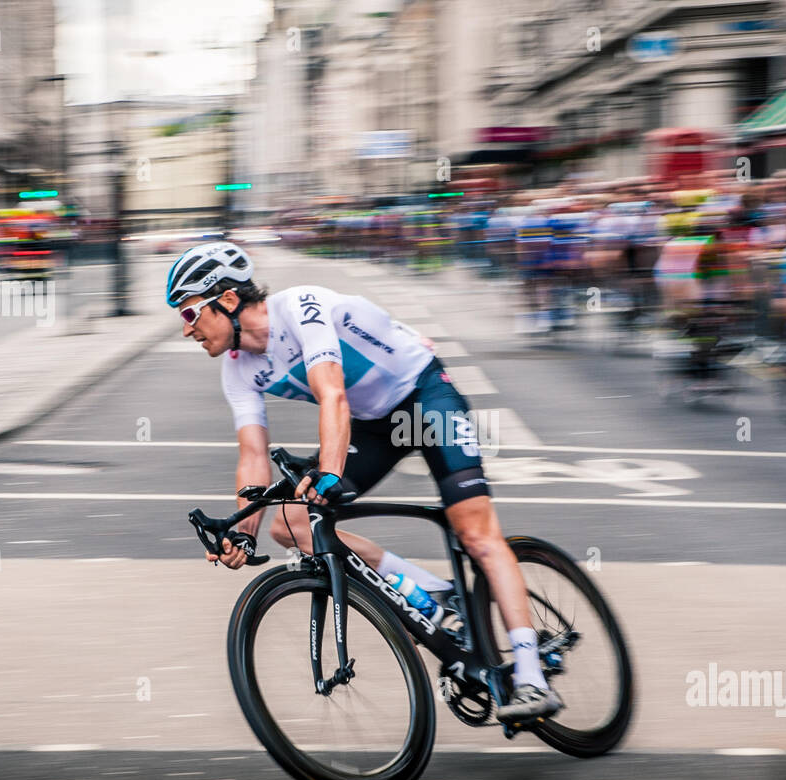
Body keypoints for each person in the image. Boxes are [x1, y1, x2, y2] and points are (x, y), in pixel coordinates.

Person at [167, 240, 564, 720]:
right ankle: (431, 598)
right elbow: (252, 455)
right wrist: (241, 533)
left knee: (475, 533)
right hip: (374, 424)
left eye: (189, 313)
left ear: (227, 300)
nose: (185, 328)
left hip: (424, 396)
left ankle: (530, 676)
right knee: (291, 525)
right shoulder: (238, 370)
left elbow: (331, 393)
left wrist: (331, 472)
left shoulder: (299, 308)